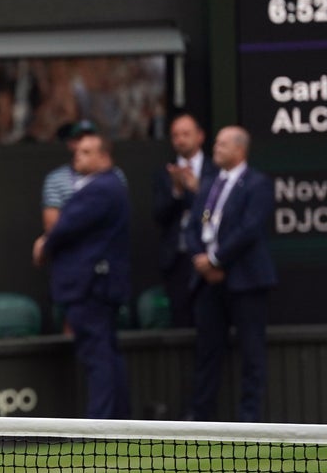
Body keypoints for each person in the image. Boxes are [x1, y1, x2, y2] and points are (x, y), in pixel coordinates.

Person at [33, 132, 131, 419]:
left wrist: (44, 246)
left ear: (104, 157)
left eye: (87, 151)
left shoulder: (101, 188)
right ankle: (121, 423)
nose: (78, 155)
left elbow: (64, 228)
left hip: (91, 287)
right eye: (78, 151)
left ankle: (100, 426)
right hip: (99, 286)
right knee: (108, 355)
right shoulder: (107, 186)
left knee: (99, 358)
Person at [185, 126, 275, 423]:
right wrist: (202, 260)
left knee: (251, 354)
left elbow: (249, 230)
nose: (216, 147)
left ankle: (249, 421)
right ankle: (200, 420)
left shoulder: (257, 184)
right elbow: (193, 227)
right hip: (207, 283)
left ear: (240, 149)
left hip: (245, 281)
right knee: (207, 354)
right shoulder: (209, 184)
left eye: (222, 144)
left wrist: (215, 260)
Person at [152, 112, 217, 328]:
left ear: (200, 136)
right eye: (175, 135)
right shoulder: (164, 172)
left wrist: (199, 190)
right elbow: (159, 216)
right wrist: (177, 192)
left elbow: (222, 211)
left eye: (186, 134)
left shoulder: (215, 169)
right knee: (180, 318)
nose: (180, 140)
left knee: (209, 320)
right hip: (176, 257)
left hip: (209, 257)